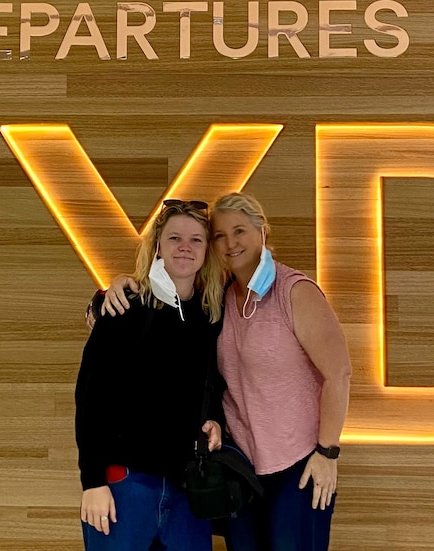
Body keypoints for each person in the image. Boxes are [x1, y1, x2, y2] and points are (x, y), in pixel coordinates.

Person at [99, 192, 352, 551]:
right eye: (219, 235)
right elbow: (160, 296)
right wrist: (114, 289)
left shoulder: (294, 291)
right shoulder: (215, 298)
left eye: (240, 231)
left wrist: (328, 454)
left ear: (262, 232)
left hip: (298, 466)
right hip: (240, 469)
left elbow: (339, 373)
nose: (230, 243)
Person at [75, 199, 227, 551]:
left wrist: (215, 422)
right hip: (124, 483)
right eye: (174, 238)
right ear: (158, 245)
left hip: (186, 488)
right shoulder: (124, 307)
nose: (185, 247)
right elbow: (91, 396)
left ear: (208, 251)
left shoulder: (209, 317)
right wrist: (93, 481)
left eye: (196, 240)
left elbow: (212, 389)